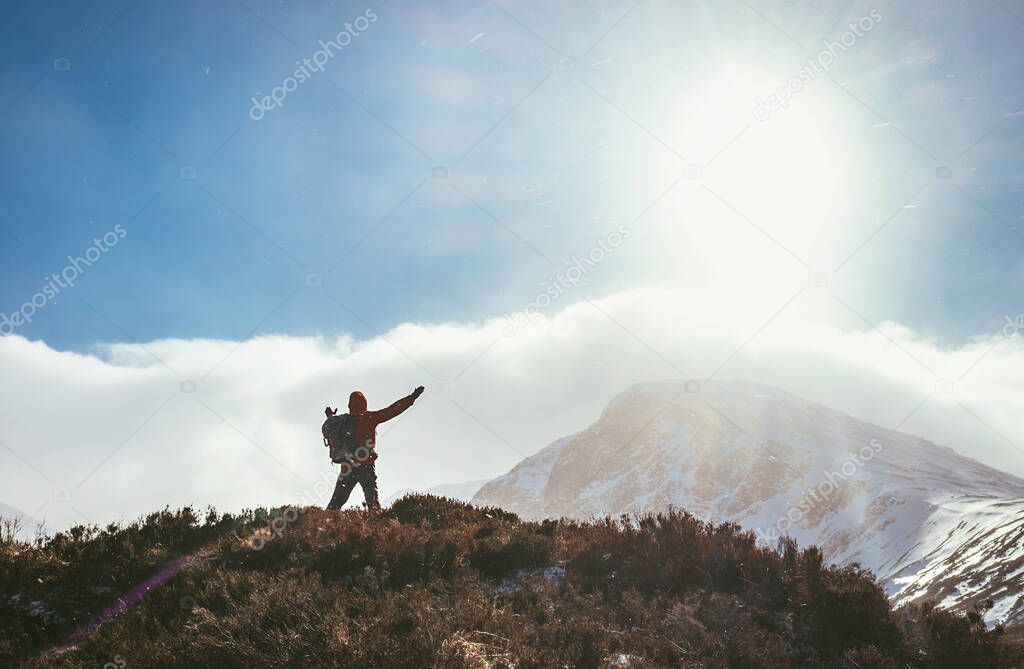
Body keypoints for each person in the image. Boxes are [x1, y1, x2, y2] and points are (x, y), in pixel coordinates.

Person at [326, 386, 424, 510]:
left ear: (350, 405)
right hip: (365, 466)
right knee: (372, 503)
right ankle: (378, 526)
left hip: (347, 467)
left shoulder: (342, 421)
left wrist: (331, 416)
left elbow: (334, 432)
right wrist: (411, 398)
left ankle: (322, 526)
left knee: (335, 504)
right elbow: (392, 410)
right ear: (364, 404)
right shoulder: (369, 417)